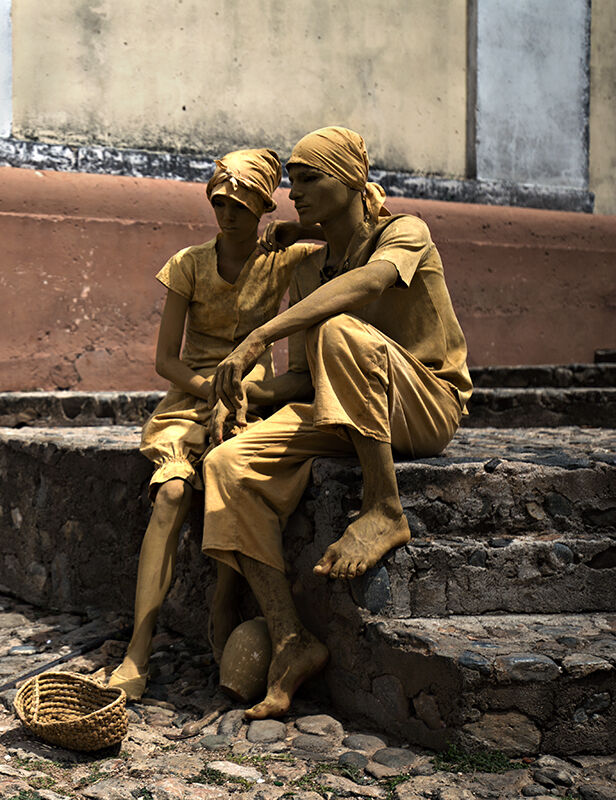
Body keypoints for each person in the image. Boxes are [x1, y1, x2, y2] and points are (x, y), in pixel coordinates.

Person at [202, 126, 472, 719]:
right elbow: (303, 377)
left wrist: (259, 335)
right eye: (289, 181)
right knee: (227, 463)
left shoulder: (405, 232)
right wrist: (238, 390)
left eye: (308, 178)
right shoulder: (310, 269)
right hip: (347, 405)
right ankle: (292, 638)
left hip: (425, 403)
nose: (293, 193)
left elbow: (371, 284)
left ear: (350, 180)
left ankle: (383, 507)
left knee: (338, 328)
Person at [107, 149, 320, 700]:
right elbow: (166, 362)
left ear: (263, 209)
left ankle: (224, 599)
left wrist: (298, 226)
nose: (229, 214)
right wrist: (213, 391)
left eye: (244, 205)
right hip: (190, 399)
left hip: (253, 400)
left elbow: (356, 230)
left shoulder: (285, 260)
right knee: (173, 493)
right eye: (222, 201)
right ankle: (138, 649)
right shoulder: (188, 264)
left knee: (233, 484)